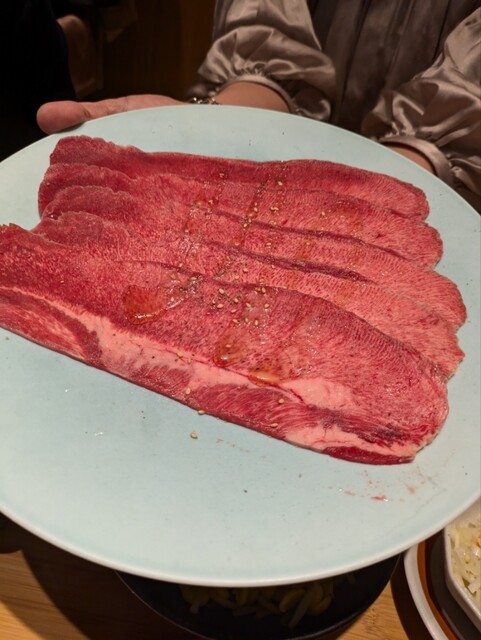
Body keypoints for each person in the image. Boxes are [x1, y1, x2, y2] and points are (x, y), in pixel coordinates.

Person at [37, 0, 481, 210]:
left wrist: (380, 188)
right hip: (281, 146)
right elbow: (266, 25)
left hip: (441, 189)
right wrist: (228, 121)